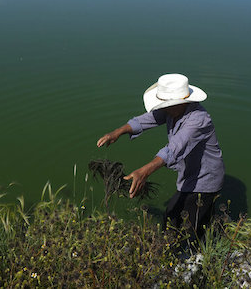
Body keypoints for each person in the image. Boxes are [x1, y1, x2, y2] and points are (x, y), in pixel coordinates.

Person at [96, 73, 225, 241]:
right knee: (201, 221)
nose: (163, 108)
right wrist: (118, 132)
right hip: (190, 173)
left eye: (167, 104)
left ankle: (176, 255)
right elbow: (146, 119)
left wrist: (144, 172)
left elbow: (173, 149)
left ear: (182, 102)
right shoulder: (172, 111)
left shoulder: (198, 120)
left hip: (204, 179)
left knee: (173, 219)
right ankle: (211, 243)